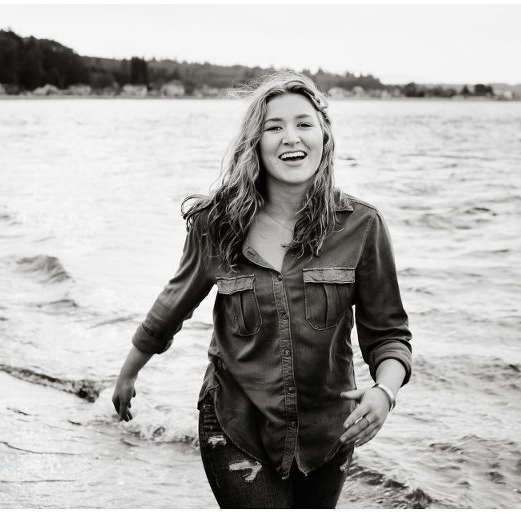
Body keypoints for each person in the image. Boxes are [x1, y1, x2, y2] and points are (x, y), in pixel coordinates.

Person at [112, 70, 412, 508]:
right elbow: (172, 307)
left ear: (324, 137)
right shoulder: (216, 225)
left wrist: (384, 393)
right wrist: (128, 371)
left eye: (304, 124)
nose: (291, 137)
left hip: (327, 436)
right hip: (237, 426)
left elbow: (388, 334)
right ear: (256, 142)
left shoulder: (362, 226)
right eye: (274, 127)